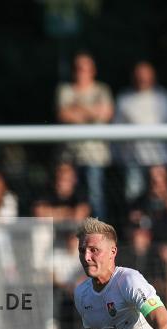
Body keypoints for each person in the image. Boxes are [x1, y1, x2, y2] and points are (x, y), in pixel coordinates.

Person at [56, 52, 114, 219]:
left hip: (95, 156)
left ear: (93, 70)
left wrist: (78, 107)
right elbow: (64, 114)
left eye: (85, 68)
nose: (81, 72)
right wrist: (93, 111)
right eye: (78, 68)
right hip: (69, 156)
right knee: (72, 201)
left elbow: (106, 114)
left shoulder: (102, 89)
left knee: (96, 198)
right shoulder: (65, 90)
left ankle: (99, 231)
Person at [114, 61, 167, 203]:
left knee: (160, 198)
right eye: (139, 75)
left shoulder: (164, 97)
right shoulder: (124, 99)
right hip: (133, 159)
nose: (142, 78)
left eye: (146, 75)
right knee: (133, 198)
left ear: (153, 76)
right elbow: (116, 128)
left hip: (160, 159)